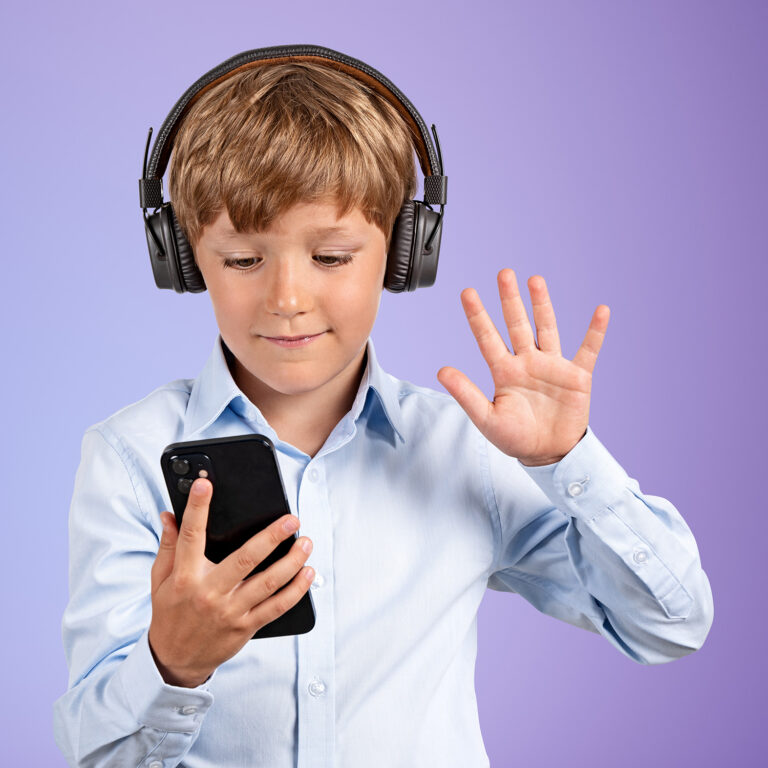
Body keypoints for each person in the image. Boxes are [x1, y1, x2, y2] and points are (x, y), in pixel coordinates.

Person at [53, 47, 714, 768]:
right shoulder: (128, 457)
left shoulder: (464, 449)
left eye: (331, 257)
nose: (286, 298)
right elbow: (98, 756)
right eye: (244, 260)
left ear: (405, 253)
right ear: (182, 260)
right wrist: (171, 664)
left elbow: (667, 626)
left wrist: (566, 460)